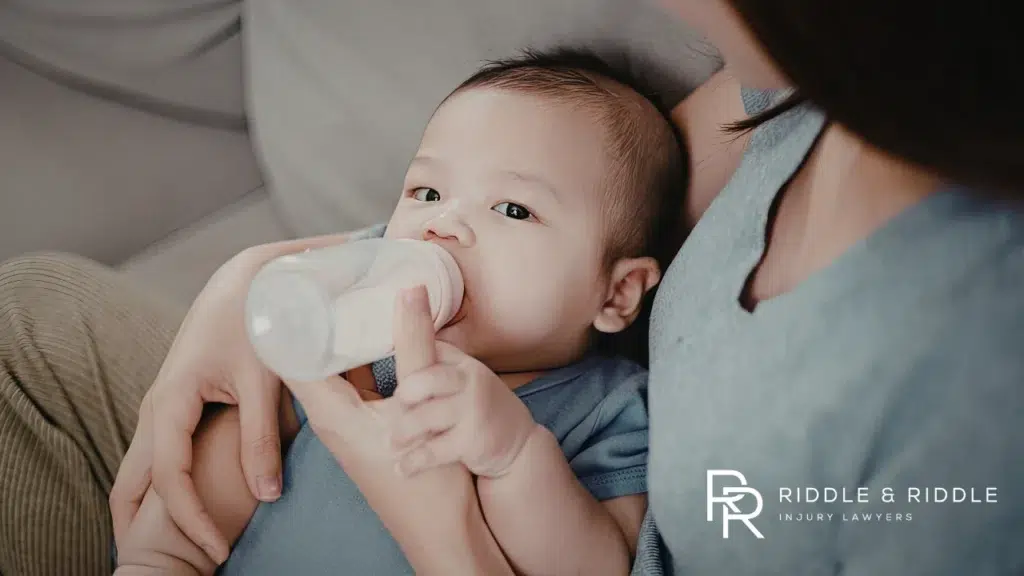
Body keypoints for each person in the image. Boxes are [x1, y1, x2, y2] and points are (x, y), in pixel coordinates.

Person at [1, 0, 1022, 575]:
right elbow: (569, 184)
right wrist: (267, 279)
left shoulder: (970, 397)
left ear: (620, 299)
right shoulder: (794, 89)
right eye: (423, 190)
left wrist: (476, 488)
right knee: (36, 323)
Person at [111, 49, 686, 575]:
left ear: (617, 295)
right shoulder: (351, 345)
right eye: (427, 193)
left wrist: (513, 458)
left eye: (512, 208)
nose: (441, 224)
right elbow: (203, 509)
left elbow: (603, 566)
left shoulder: (610, 411)